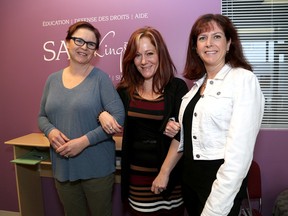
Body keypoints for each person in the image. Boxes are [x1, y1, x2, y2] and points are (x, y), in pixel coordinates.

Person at [178, 14, 265, 215]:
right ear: (195, 48)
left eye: (216, 36)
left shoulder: (243, 80)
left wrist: (215, 209)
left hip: (219, 186)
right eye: (202, 38)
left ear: (228, 44)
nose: (209, 43)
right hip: (190, 182)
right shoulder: (196, 86)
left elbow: (239, 157)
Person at [99, 26, 188, 215]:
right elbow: (106, 112)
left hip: (171, 176)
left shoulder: (177, 88)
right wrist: (102, 114)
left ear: (160, 54)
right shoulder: (125, 90)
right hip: (137, 178)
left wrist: (164, 173)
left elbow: (185, 135)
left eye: (149, 54)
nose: (144, 61)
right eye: (138, 55)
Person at [38, 21, 125, 216]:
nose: (84, 47)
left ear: (95, 51)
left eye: (91, 44)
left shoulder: (100, 79)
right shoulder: (52, 80)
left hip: (96, 168)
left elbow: (119, 117)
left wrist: (83, 142)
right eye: (79, 40)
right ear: (67, 43)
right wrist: (50, 131)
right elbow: (42, 116)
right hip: (63, 167)